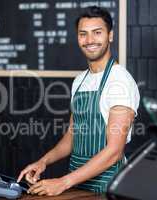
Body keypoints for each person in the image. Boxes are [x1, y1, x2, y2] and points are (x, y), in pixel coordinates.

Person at [17, 6, 140, 195]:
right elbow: (72, 135)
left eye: (97, 33)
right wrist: (43, 161)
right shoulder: (80, 80)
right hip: (77, 184)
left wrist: (63, 182)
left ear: (110, 35)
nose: (89, 40)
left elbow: (114, 151)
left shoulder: (120, 82)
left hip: (107, 186)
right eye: (83, 34)